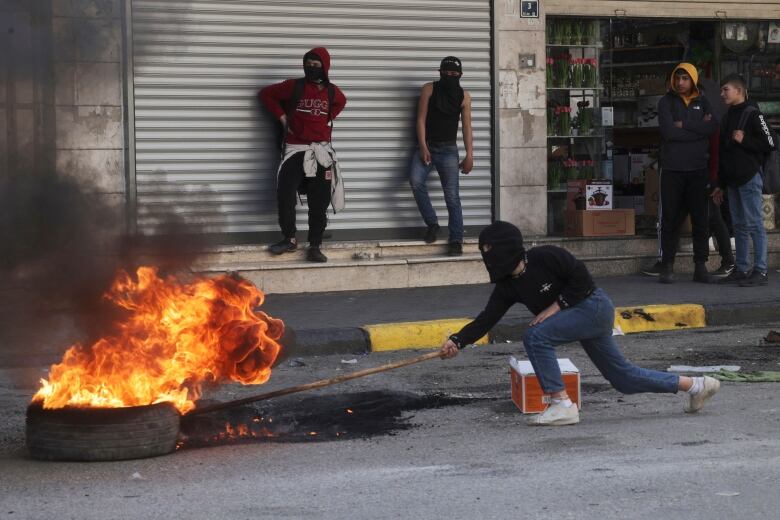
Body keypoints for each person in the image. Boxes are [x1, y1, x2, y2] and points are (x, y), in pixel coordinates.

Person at [439, 221, 721, 426]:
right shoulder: (507, 286)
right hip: (580, 318)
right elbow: (486, 319)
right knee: (622, 378)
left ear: (506, 247)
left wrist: (556, 306)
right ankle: (697, 385)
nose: (487, 255)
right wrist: (457, 341)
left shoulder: (545, 256)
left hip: (594, 307)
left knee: (536, 336)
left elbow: (583, 280)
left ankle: (561, 403)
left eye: (490, 249)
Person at [259, 47, 347, 263]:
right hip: (295, 149)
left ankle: (315, 245)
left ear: (325, 67)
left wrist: (327, 117)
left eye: (316, 65)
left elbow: (341, 102)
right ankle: (289, 238)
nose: (311, 68)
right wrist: (281, 117)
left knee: (320, 201)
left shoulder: (333, 92)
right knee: (285, 193)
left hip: (321, 152)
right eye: (308, 64)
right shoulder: (294, 86)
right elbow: (266, 94)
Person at [653, 63, 719, 284]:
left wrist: (686, 125)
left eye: (685, 78)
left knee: (701, 220)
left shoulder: (703, 101)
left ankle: (700, 266)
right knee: (670, 219)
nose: (680, 82)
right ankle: (667, 265)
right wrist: (697, 130)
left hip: (698, 170)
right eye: (677, 78)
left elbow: (712, 128)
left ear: (693, 80)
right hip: (672, 169)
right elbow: (669, 132)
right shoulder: (666, 102)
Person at [712, 74, 775, 286]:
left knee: (755, 223)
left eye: (725, 90)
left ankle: (760, 270)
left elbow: (771, 142)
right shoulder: (728, 116)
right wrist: (720, 183)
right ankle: (741, 268)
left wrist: (745, 139)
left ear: (739, 90)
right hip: (732, 180)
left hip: (748, 177)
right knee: (738, 225)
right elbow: (723, 152)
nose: (722, 94)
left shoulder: (753, 114)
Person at [409, 56, 474, 257]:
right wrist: (422, 146)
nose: (450, 76)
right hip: (427, 146)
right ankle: (432, 224)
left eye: (454, 74)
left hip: (448, 151)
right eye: (446, 73)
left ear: (460, 75)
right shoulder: (429, 89)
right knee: (415, 181)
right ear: (440, 72)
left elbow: (467, 127)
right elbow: (420, 119)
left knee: (452, 197)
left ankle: (456, 240)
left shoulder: (464, 96)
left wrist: (469, 154)